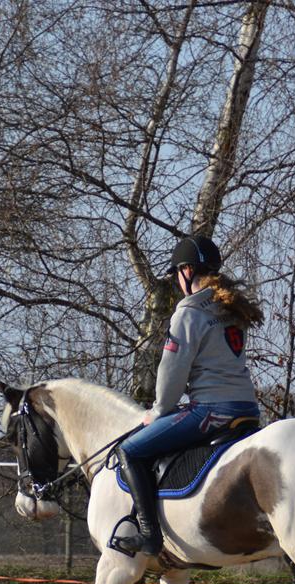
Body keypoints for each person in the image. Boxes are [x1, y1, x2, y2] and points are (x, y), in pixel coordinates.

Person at [115, 234, 265, 555]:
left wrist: (157, 413)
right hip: (247, 409)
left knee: (130, 451)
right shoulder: (231, 308)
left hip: (211, 412)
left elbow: (172, 373)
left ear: (186, 270)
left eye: (176, 274)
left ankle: (150, 535)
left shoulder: (188, 312)